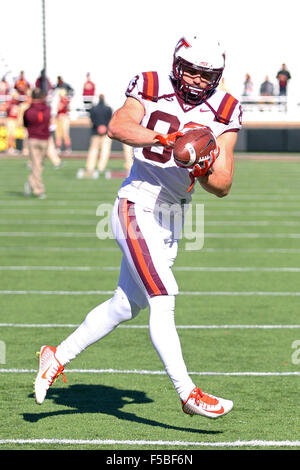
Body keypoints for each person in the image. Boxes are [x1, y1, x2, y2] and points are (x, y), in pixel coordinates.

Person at [34, 34, 242, 419]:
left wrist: (199, 164)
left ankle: (55, 356)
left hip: (174, 216)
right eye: (192, 71)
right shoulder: (149, 84)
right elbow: (119, 126)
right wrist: (166, 137)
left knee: (124, 306)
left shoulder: (227, 108)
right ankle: (188, 393)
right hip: (137, 202)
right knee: (162, 296)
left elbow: (223, 184)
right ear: (178, 65)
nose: (197, 80)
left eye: (206, 74)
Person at [23, 88, 51, 199]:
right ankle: (39, 189)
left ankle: (30, 182)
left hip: (33, 138)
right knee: (37, 165)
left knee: (38, 164)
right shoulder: (47, 109)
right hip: (44, 139)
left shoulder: (28, 111)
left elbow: (25, 124)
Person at [77, 94, 112, 178]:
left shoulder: (93, 109)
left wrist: (98, 126)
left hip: (95, 132)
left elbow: (92, 120)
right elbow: (110, 120)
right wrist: (104, 126)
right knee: (105, 151)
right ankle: (101, 167)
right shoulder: (108, 109)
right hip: (105, 133)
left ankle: (90, 166)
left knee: (93, 150)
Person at [55, 88, 72, 154]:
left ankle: (67, 148)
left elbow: (59, 108)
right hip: (60, 119)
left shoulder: (64, 100)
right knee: (58, 135)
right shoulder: (63, 100)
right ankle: (59, 148)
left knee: (65, 134)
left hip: (63, 119)